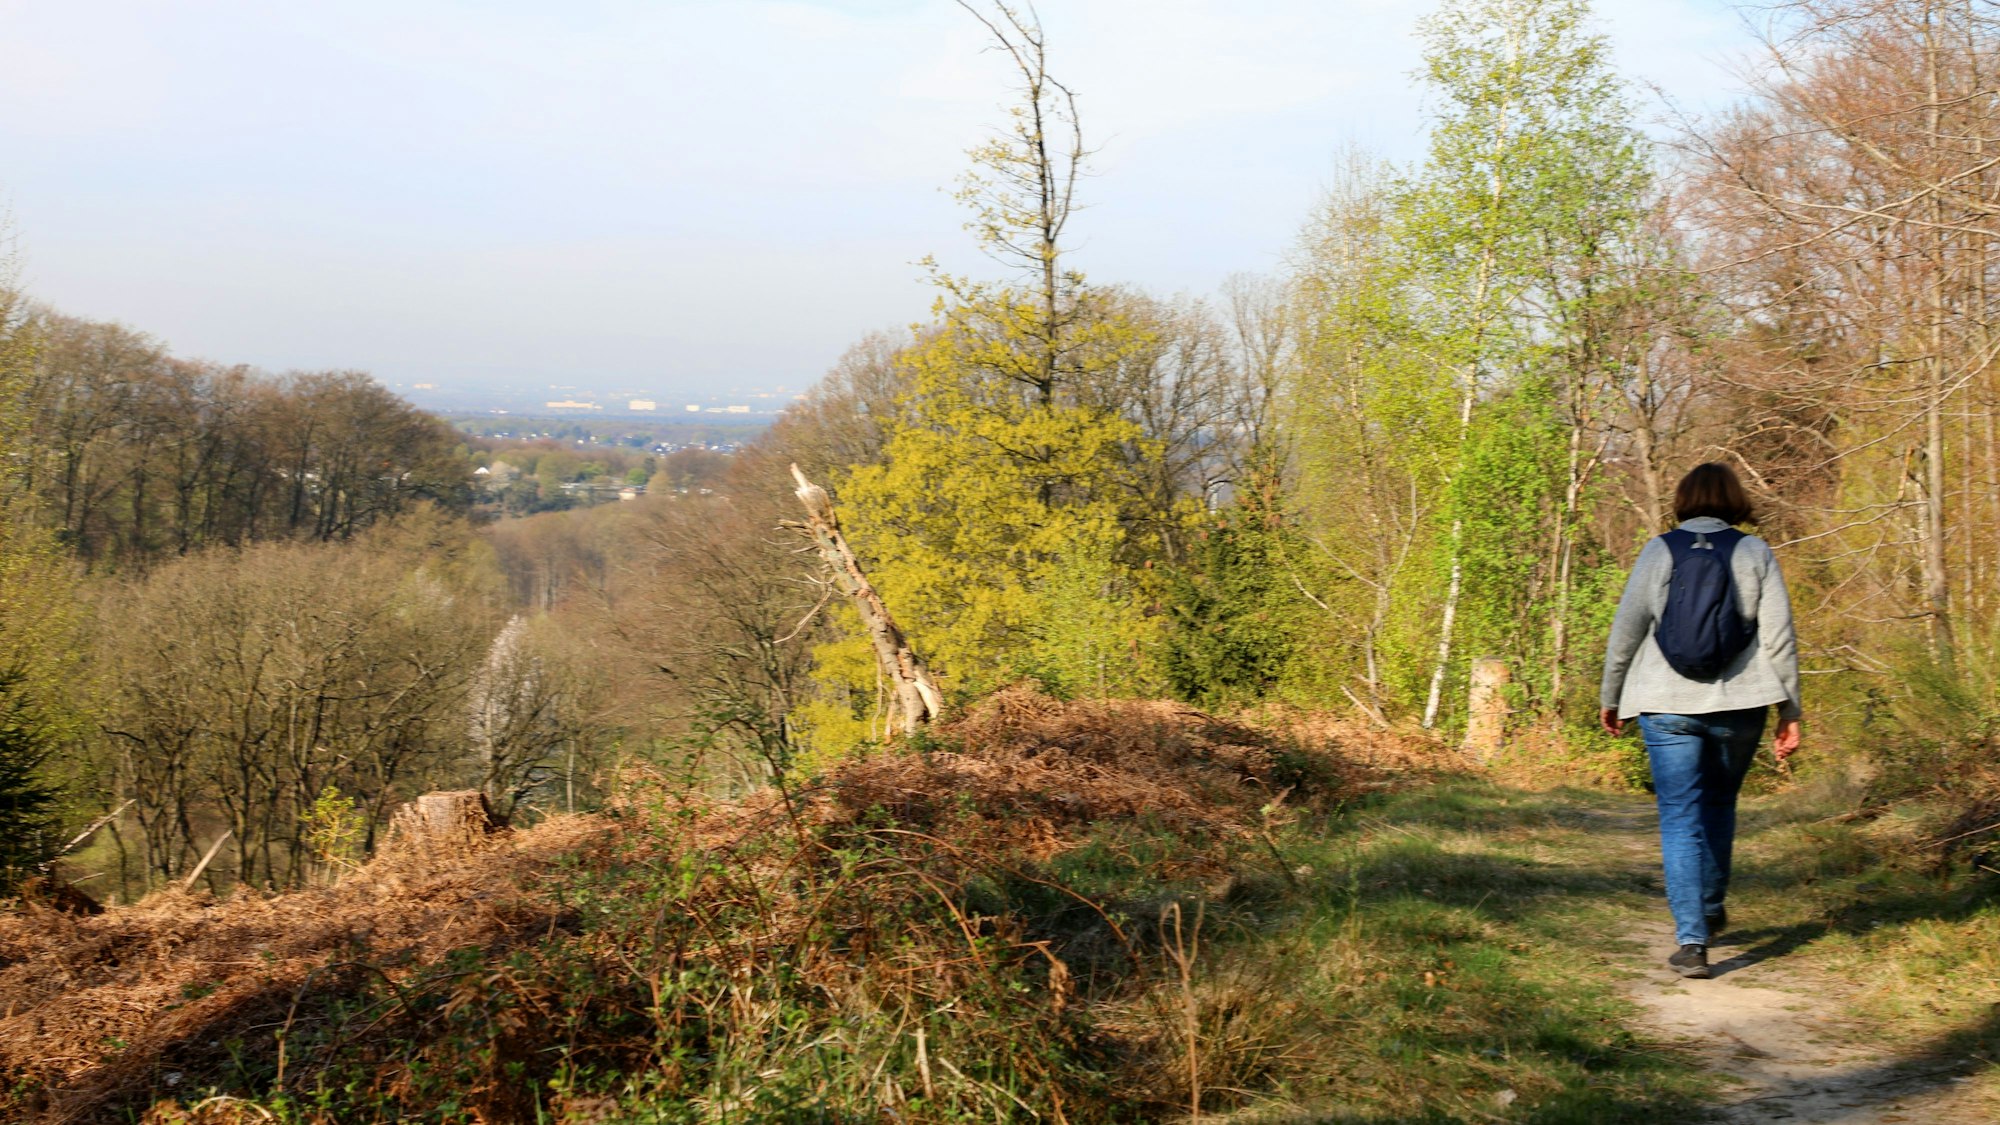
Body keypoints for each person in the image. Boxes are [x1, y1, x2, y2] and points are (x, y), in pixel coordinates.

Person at [1600, 463, 1802, 980]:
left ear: (1684, 499)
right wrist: (1790, 709)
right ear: (1735, 500)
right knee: (1718, 804)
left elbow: (1627, 628)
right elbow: (1778, 637)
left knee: (1679, 816)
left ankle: (1692, 943)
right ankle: (1710, 910)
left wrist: (1612, 695)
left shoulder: (1660, 550)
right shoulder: (1755, 552)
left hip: (1665, 702)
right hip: (1742, 702)